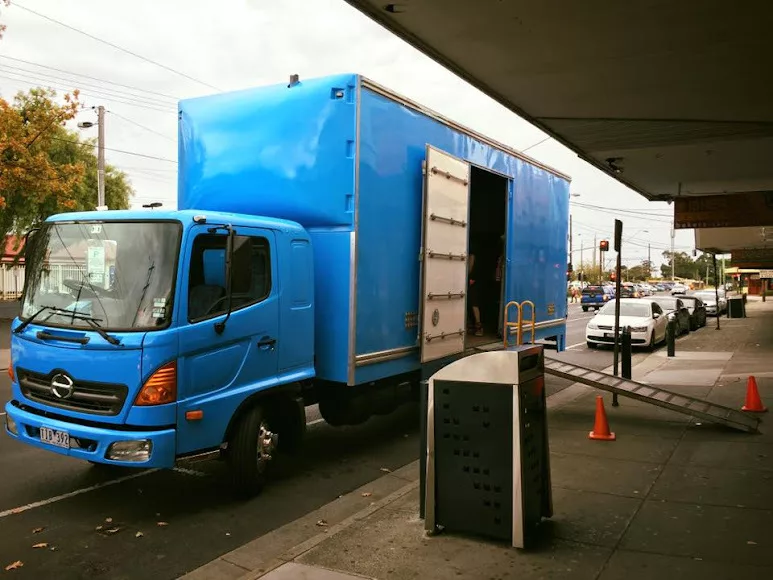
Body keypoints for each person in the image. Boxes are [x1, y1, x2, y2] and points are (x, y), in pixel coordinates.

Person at [468, 252, 483, 336]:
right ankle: (475, 325)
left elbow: (470, 269)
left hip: (473, 281)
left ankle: (478, 326)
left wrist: (470, 277)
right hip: (474, 280)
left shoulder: (472, 255)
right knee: (473, 303)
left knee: (473, 303)